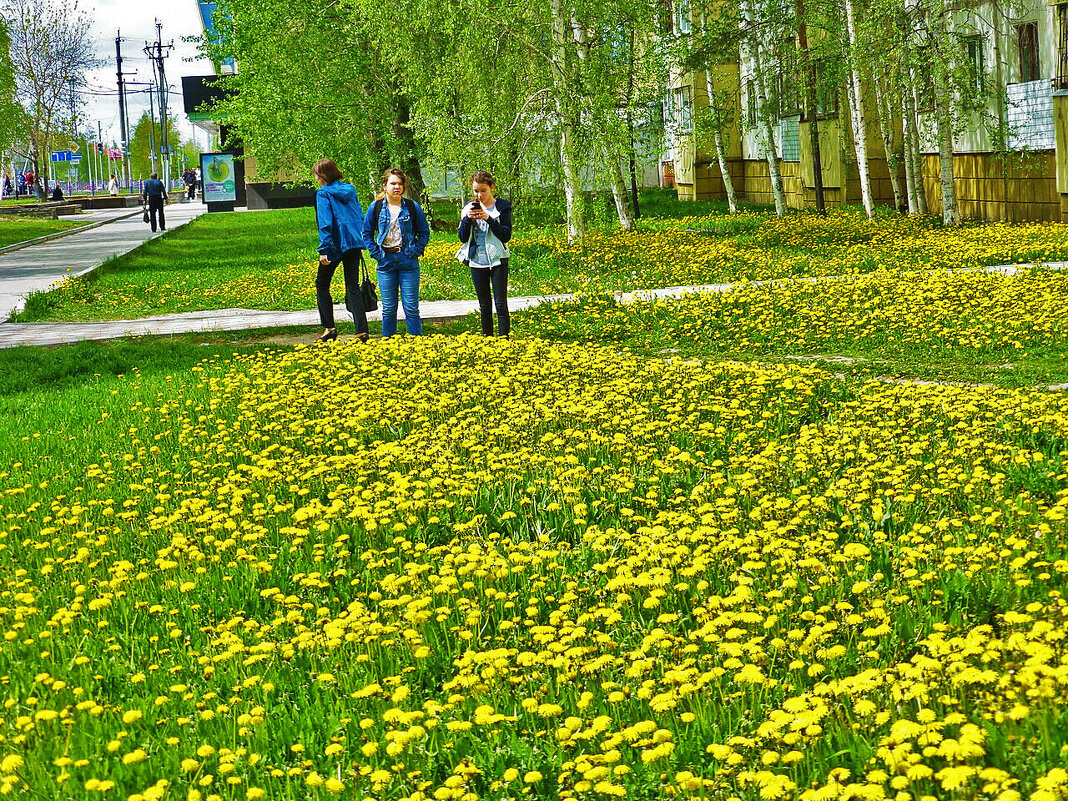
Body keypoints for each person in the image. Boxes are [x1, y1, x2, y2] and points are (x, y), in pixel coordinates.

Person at [362, 168, 430, 337]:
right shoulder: (376, 207)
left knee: (411, 307)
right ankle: (389, 345)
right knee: (389, 308)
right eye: (393, 183)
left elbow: (424, 232)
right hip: (386, 261)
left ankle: (417, 344)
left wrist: (415, 250)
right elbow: (366, 233)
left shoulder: (412, 207)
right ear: (385, 186)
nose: (397, 187)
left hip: (408, 260)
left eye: (400, 183)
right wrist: (377, 253)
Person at [313, 157, 369, 344]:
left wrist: (324, 249)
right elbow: (359, 214)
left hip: (336, 244)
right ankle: (362, 331)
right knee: (352, 285)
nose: (316, 179)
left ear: (323, 175)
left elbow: (326, 223)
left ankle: (329, 328)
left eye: (317, 175)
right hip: (353, 241)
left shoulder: (323, 194)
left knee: (322, 284)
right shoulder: (350, 190)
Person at [457, 170, 513, 337]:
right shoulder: (468, 208)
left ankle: (504, 340)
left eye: (483, 190)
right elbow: (462, 238)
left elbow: (506, 235)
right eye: (476, 191)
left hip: (498, 259)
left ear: (492, 187)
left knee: (500, 303)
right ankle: (488, 339)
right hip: (476, 260)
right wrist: (468, 220)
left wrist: (488, 218)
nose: (479, 195)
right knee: (484, 305)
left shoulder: (502, 207)